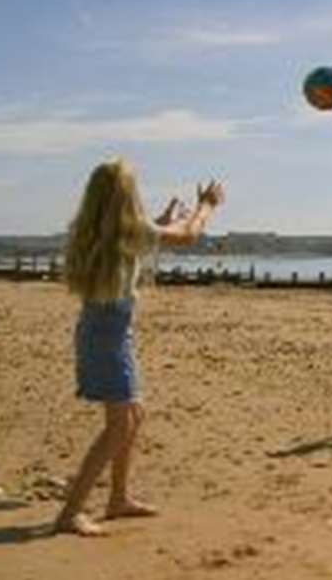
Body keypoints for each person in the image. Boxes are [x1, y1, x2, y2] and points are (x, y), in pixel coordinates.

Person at [54, 158, 225, 537]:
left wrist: (165, 218)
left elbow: (155, 234)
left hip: (104, 334)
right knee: (118, 426)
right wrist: (207, 206)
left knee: (135, 414)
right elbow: (187, 236)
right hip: (108, 340)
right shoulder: (129, 230)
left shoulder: (102, 229)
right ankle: (70, 512)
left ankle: (118, 498)